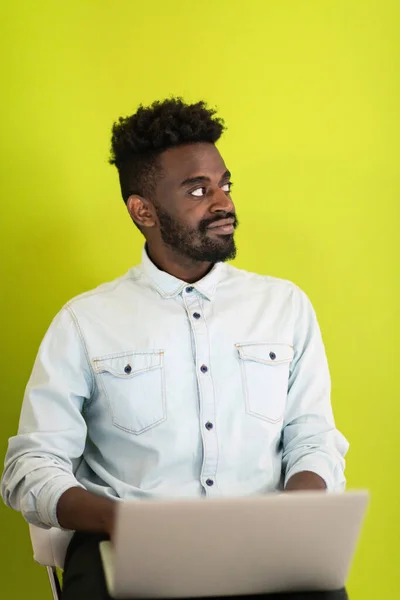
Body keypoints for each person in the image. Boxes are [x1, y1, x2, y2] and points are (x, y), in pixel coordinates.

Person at [1, 98, 349, 600]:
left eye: (224, 184)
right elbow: (31, 465)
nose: (223, 202)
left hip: (265, 545)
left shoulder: (284, 306)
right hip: (130, 549)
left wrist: (291, 518)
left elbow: (312, 436)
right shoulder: (84, 322)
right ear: (142, 210)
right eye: (197, 190)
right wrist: (119, 521)